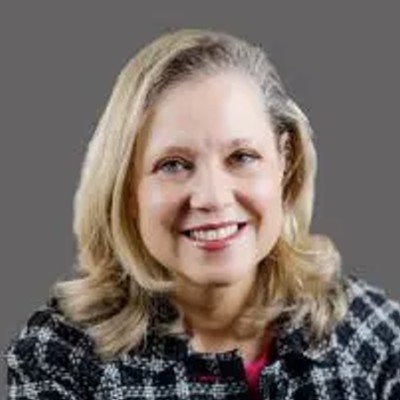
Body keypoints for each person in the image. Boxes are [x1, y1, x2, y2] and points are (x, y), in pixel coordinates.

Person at [5, 28, 400, 400]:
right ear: (127, 190)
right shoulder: (60, 355)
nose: (212, 197)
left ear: (285, 163)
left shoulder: (375, 337)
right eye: (173, 164)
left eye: (242, 157)